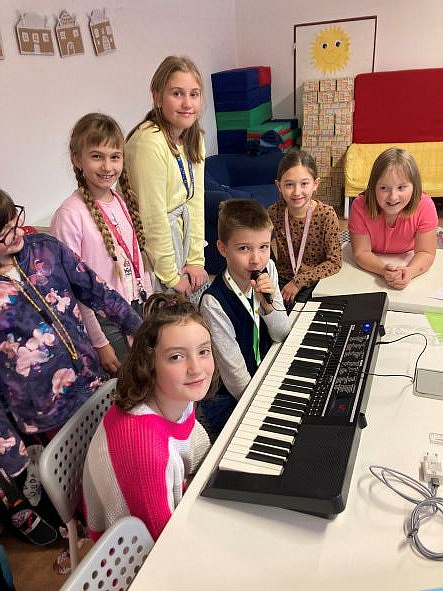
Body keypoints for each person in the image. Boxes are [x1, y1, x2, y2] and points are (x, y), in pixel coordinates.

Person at [0, 189, 142, 544]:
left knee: (116, 466)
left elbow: (97, 291)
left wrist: (143, 330)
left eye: (14, 219)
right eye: (2, 232)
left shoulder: (45, 249)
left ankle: (140, 527)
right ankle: (100, 545)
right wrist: (11, 451)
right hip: (46, 413)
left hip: (90, 384)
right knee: (81, 492)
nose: (14, 232)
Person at [83, 293, 217, 542]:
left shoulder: (176, 394)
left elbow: (195, 454)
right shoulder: (144, 447)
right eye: (176, 357)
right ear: (149, 363)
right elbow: (163, 544)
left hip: (176, 501)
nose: (197, 368)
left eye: (203, 351)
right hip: (136, 551)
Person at [51, 113, 152, 373]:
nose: (107, 166)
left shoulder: (120, 201)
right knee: (128, 383)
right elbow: (74, 289)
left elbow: (135, 260)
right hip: (104, 321)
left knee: (148, 375)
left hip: (136, 307)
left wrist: (149, 303)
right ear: (77, 159)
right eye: (97, 156)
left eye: (114, 157)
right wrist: (99, 342)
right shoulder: (69, 215)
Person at [198, 199, 290, 439]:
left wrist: (268, 306)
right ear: (222, 248)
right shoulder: (213, 303)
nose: (256, 259)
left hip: (267, 369)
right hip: (235, 396)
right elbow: (236, 379)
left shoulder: (268, 268)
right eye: (244, 248)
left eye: (263, 247)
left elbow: (281, 333)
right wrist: (268, 411)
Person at [125, 55, 208, 303]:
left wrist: (196, 259)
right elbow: (152, 217)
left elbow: (195, 200)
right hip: (155, 250)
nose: (187, 103)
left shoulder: (193, 137)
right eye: (177, 93)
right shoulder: (149, 142)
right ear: (157, 97)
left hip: (181, 238)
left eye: (194, 94)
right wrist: (171, 276)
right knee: (168, 318)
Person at [349, 147, 438, 289]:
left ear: (415, 186)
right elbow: (361, 252)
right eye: (384, 188)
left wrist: (410, 271)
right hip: (371, 263)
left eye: (401, 187)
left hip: (408, 258)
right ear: (373, 187)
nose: (393, 197)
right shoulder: (360, 205)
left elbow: (426, 252)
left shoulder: (425, 205)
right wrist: (383, 270)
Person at [267, 149, 342, 308]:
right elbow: (261, 244)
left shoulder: (326, 215)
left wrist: (299, 281)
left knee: (302, 313)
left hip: (316, 280)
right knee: (268, 309)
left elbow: (335, 262)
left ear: (315, 184)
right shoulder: (274, 212)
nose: (297, 192)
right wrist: (269, 273)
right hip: (283, 279)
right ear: (279, 186)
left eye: (304, 184)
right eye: (289, 184)